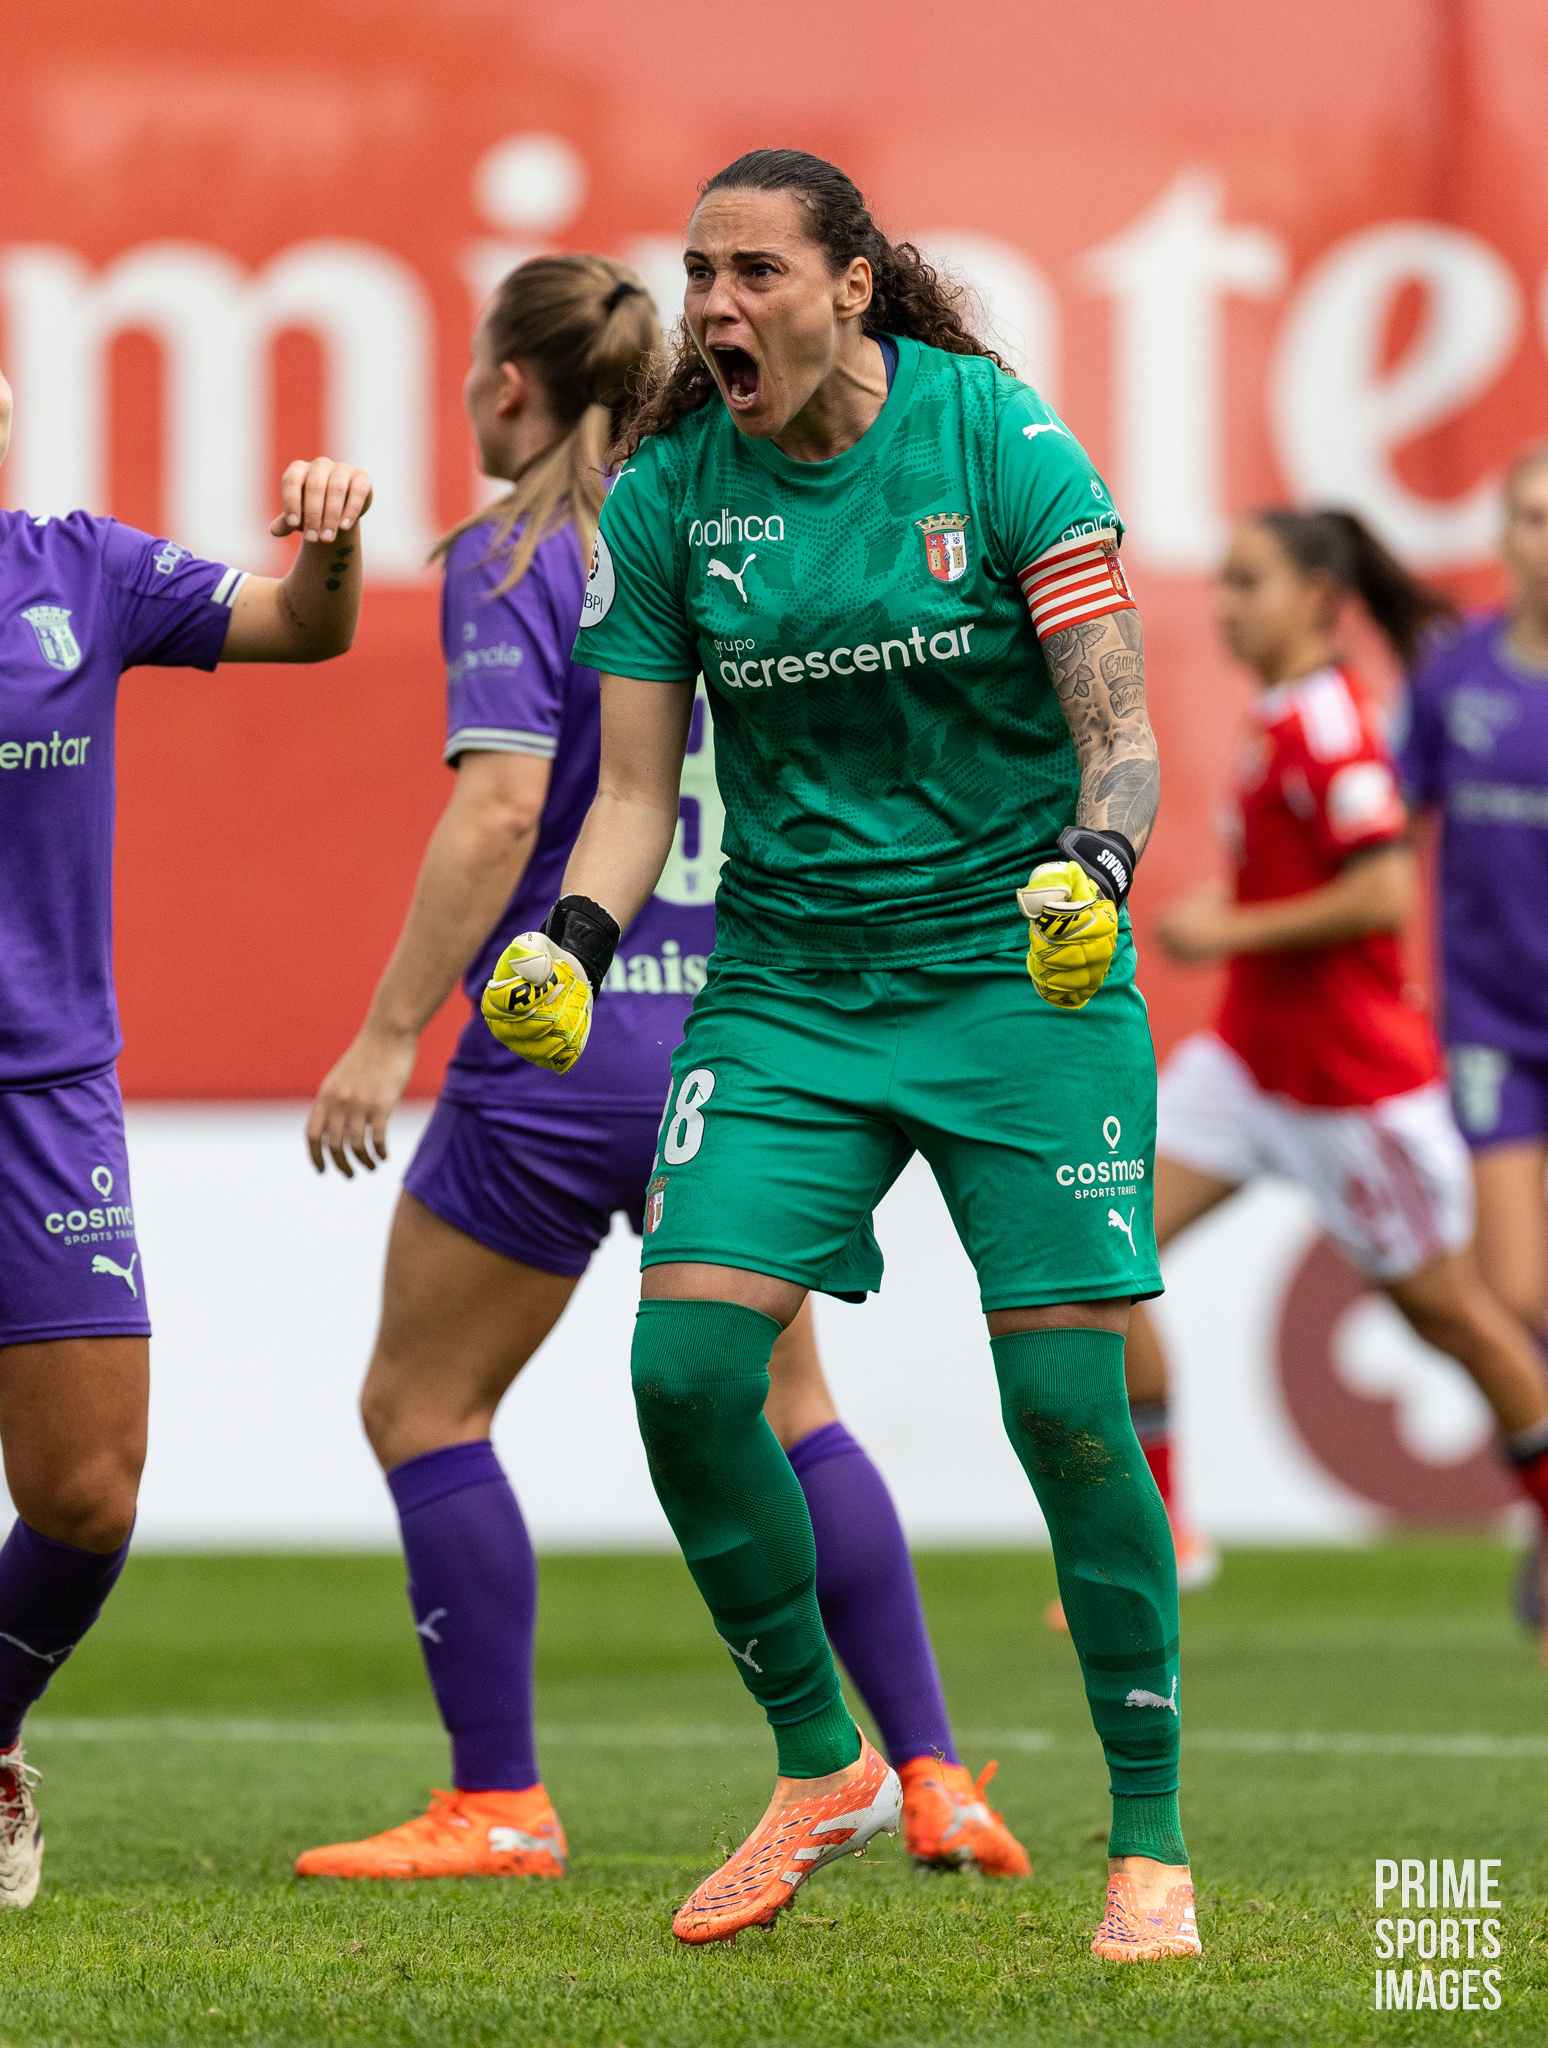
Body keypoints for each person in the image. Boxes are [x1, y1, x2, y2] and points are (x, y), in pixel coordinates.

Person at [483, 153, 1197, 1962]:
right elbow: (632, 794)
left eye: (755, 272)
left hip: (1016, 974)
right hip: (790, 987)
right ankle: (824, 1763)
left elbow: (1119, 736)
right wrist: (566, 943)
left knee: (1065, 1408)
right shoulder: (669, 496)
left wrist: (1096, 870)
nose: (715, 306)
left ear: (852, 287)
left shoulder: (997, 440)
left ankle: (1148, 1841)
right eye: (696, 274)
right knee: (685, 1370)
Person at [291, 255, 1027, 1887]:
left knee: (421, 1401)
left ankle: (498, 1802)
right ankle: (932, 1775)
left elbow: (502, 807)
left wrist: (390, 1028)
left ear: (506, 385)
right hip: (736, 1043)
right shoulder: (723, 523)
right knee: (792, 1403)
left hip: (561, 1051)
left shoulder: (515, 557)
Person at [0, 277, 373, 1908]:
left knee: (89, 1498)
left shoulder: (82, 570)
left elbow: (309, 626)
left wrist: (332, 544)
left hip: (48, 1086)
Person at [1144, 507, 1548, 1651]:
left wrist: (1228, 927)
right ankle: (1164, 1529)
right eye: (1222, 581)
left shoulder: (1331, 723)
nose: (1225, 606)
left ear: (1318, 598)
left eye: (1249, 583)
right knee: (1094, 1248)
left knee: (1461, 1320)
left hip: (1354, 1089)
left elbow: (1380, 891)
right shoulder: (1277, 714)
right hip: (1250, 1063)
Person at [1398, 445, 1548, 1630]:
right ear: (1504, 533)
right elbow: (1390, 829)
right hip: (1497, 1023)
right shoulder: (1457, 675)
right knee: (1513, 1289)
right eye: (1532, 516)